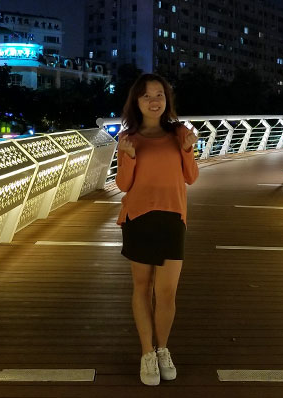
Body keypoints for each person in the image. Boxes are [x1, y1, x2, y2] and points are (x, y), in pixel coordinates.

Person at [115, 73, 199, 386]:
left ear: (167, 100)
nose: (154, 101)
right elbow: (123, 184)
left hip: (173, 218)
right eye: (147, 96)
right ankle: (146, 354)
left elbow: (191, 177)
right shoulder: (129, 138)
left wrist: (189, 149)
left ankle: (163, 348)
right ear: (136, 101)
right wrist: (130, 157)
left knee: (166, 292)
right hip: (139, 217)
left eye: (160, 95)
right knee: (142, 287)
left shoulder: (180, 133)